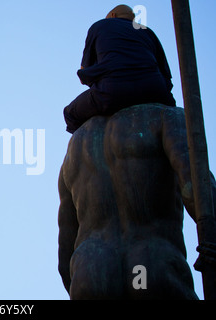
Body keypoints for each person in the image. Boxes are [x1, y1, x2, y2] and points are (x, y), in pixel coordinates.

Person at [57, 103, 216, 299]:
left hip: (90, 274)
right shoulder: (167, 117)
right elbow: (199, 192)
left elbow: (65, 256)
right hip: (151, 266)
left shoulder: (75, 146)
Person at [63, 5, 176, 134]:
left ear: (113, 16)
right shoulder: (148, 31)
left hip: (114, 90)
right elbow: (166, 74)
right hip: (155, 90)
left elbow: (85, 69)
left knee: (70, 114)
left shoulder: (100, 25)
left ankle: (94, 149)